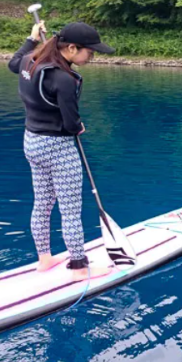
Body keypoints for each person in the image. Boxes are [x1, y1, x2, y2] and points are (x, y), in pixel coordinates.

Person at [8, 21, 116, 281]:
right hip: (58, 149)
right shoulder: (64, 79)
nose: (91, 56)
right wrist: (79, 127)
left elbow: (14, 63)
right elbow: (70, 124)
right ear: (71, 48)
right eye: (89, 52)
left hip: (32, 142)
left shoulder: (30, 61)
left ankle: (44, 258)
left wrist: (31, 39)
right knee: (70, 209)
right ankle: (78, 267)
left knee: (42, 204)